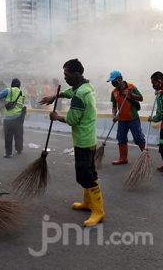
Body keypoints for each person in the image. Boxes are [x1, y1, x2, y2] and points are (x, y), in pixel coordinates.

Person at [40, 59, 104, 227]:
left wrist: (56, 117)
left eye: (67, 75)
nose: (65, 78)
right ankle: (88, 203)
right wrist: (56, 96)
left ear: (76, 74)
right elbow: (70, 92)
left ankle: (98, 210)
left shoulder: (80, 96)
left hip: (83, 140)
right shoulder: (85, 87)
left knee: (84, 175)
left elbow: (71, 120)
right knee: (89, 172)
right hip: (89, 138)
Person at [107, 70, 145, 165]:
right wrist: (114, 115)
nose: (112, 83)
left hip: (133, 118)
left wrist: (131, 95)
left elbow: (141, 98)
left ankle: (146, 157)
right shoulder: (114, 92)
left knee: (138, 138)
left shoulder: (131, 87)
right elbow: (114, 106)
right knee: (121, 138)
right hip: (122, 119)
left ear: (120, 79)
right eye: (111, 81)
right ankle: (123, 158)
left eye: (113, 81)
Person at [0, 78, 26, 158]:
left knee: (8, 136)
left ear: (12, 84)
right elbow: (21, 104)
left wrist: (5, 102)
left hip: (9, 118)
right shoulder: (22, 93)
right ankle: (19, 149)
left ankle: (8, 153)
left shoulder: (8, 90)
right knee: (19, 134)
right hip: (19, 118)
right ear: (19, 85)